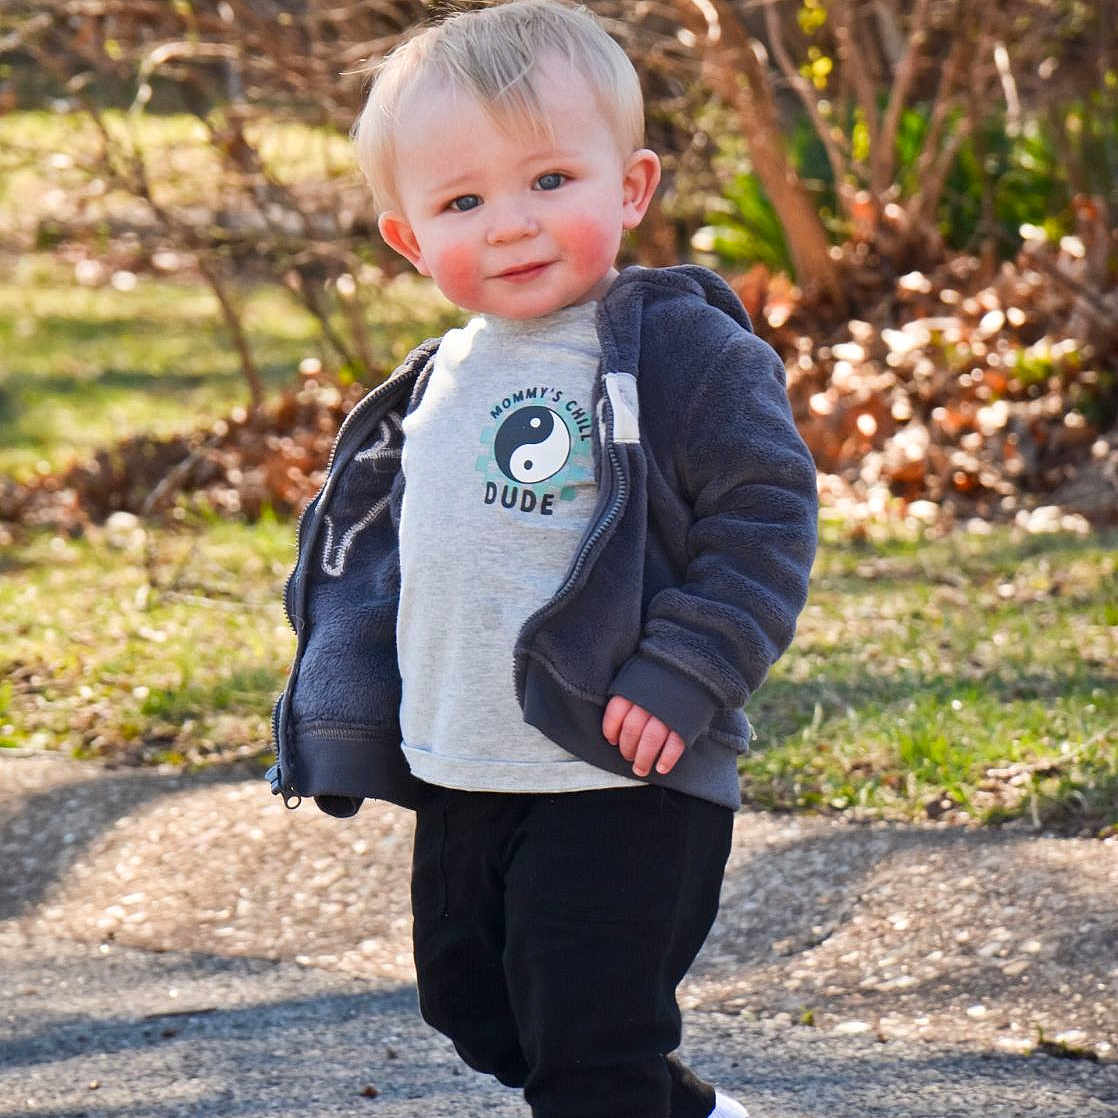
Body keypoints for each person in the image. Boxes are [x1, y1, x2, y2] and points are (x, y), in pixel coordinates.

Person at [266, 2, 818, 1115]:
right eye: (464, 201)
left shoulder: (676, 348)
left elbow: (765, 514)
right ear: (411, 239)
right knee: (480, 1011)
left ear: (630, 188)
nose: (511, 224)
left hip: (621, 767)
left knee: (587, 1041)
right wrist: (344, 714)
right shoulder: (432, 384)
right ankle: (687, 1108)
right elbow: (381, 568)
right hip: (464, 763)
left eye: (550, 181)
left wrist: (686, 668)